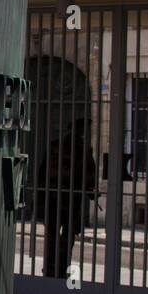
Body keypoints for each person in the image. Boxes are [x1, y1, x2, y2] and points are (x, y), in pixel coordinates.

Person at [35, 118, 97, 279]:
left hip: (53, 198)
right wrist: (91, 190)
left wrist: (40, 194)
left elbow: (42, 172)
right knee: (67, 239)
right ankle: (61, 269)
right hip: (70, 201)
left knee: (52, 237)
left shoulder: (56, 146)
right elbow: (90, 174)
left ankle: (50, 269)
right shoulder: (83, 150)